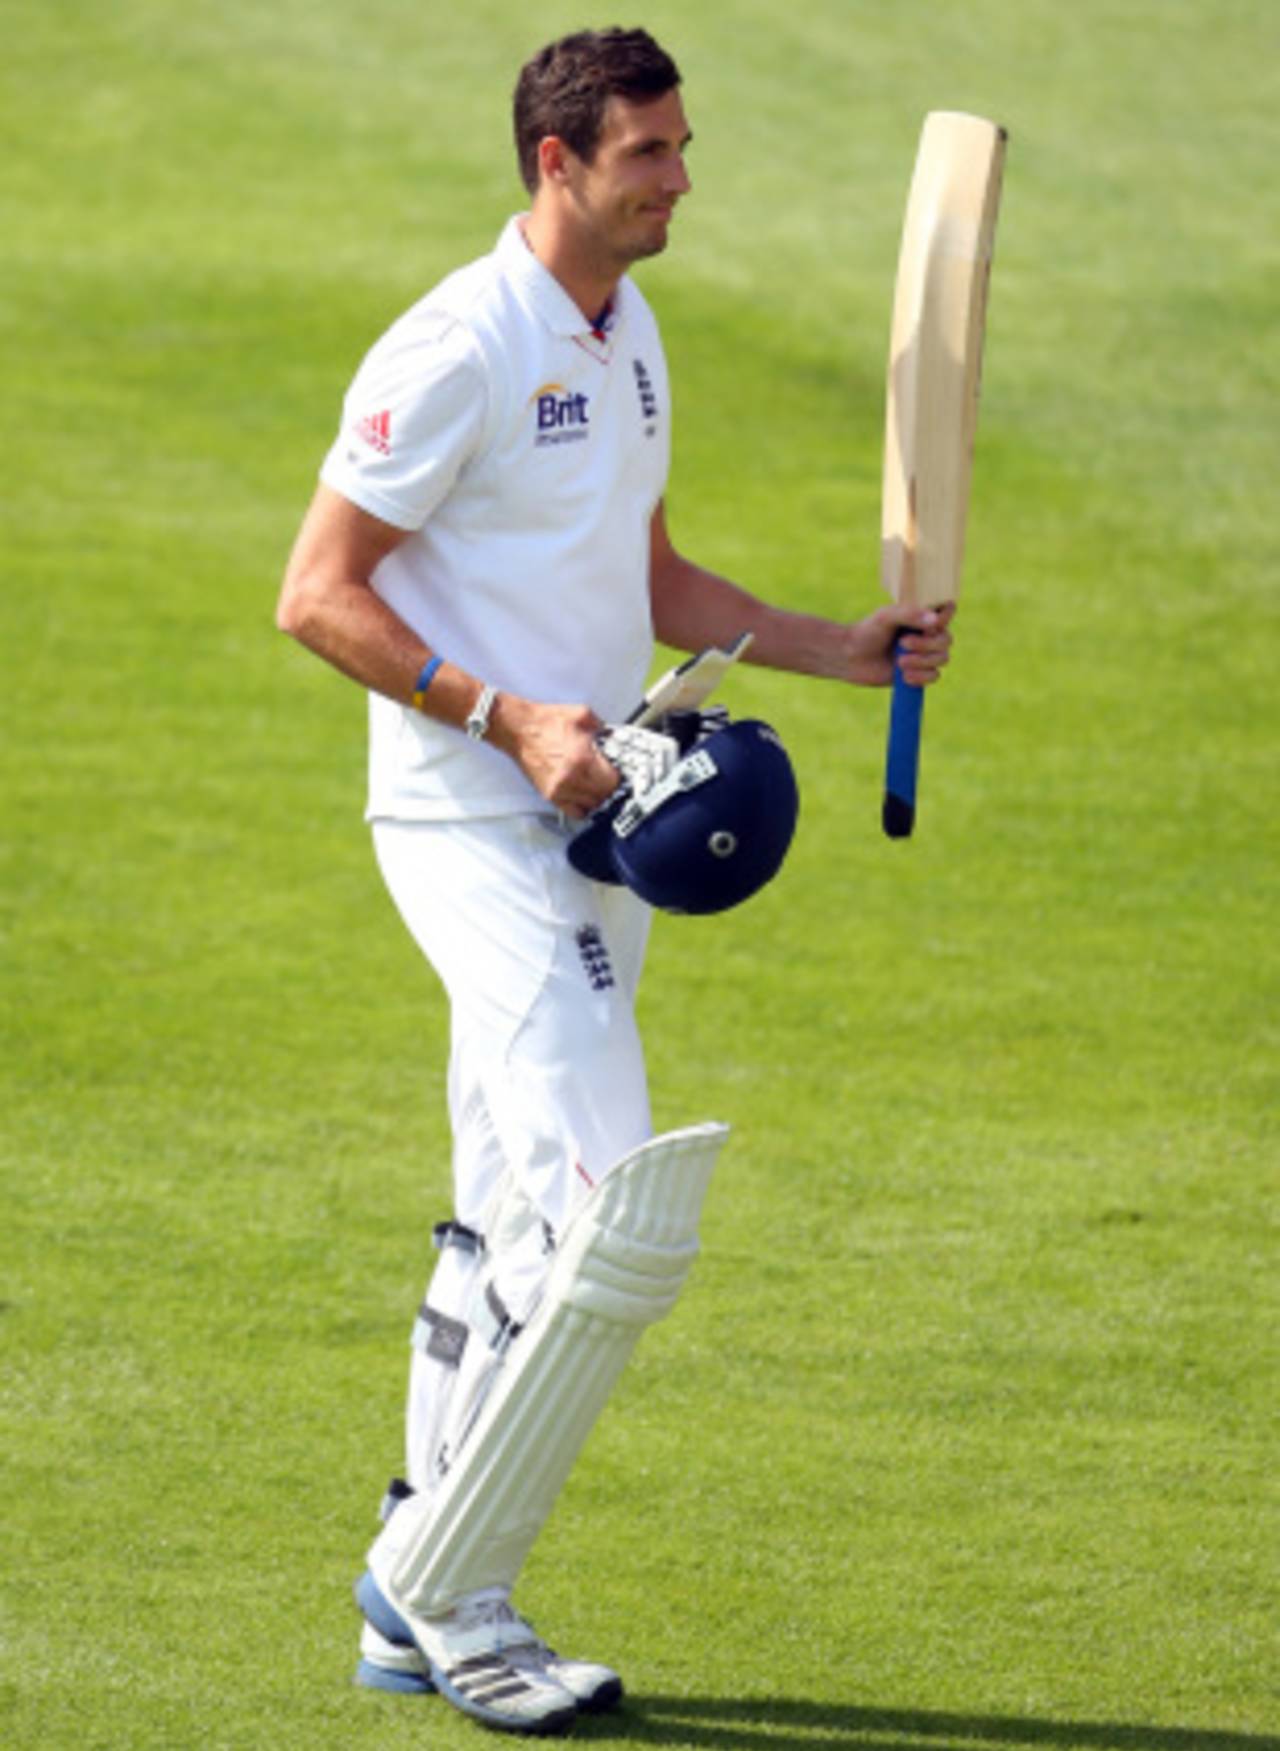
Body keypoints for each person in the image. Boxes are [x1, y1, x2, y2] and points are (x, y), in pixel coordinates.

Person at [277, 26, 953, 1737]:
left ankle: (408, 1587)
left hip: (603, 812)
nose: (680, 180)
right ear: (557, 165)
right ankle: (446, 1591)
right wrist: (505, 719)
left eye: (681, 145)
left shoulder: (628, 331)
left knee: (513, 1208)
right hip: (472, 822)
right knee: (611, 1216)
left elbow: (640, 570)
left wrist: (838, 649)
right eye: (648, 154)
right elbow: (317, 595)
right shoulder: (456, 347)